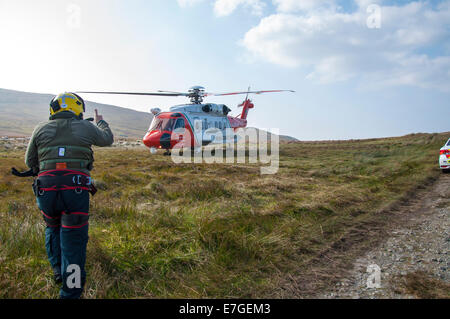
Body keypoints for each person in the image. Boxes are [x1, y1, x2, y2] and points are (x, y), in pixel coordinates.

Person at [25, 92, 114, 299]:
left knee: (52, 227)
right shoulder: (86, 126)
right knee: (73, 240)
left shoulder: (40, 128)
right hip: (75, 191)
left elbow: (30, 162)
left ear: (53, 109)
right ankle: (71, 291)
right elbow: (107, 139)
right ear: (77, 109)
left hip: (45, 190)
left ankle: (58, 271)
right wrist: (102, 123)